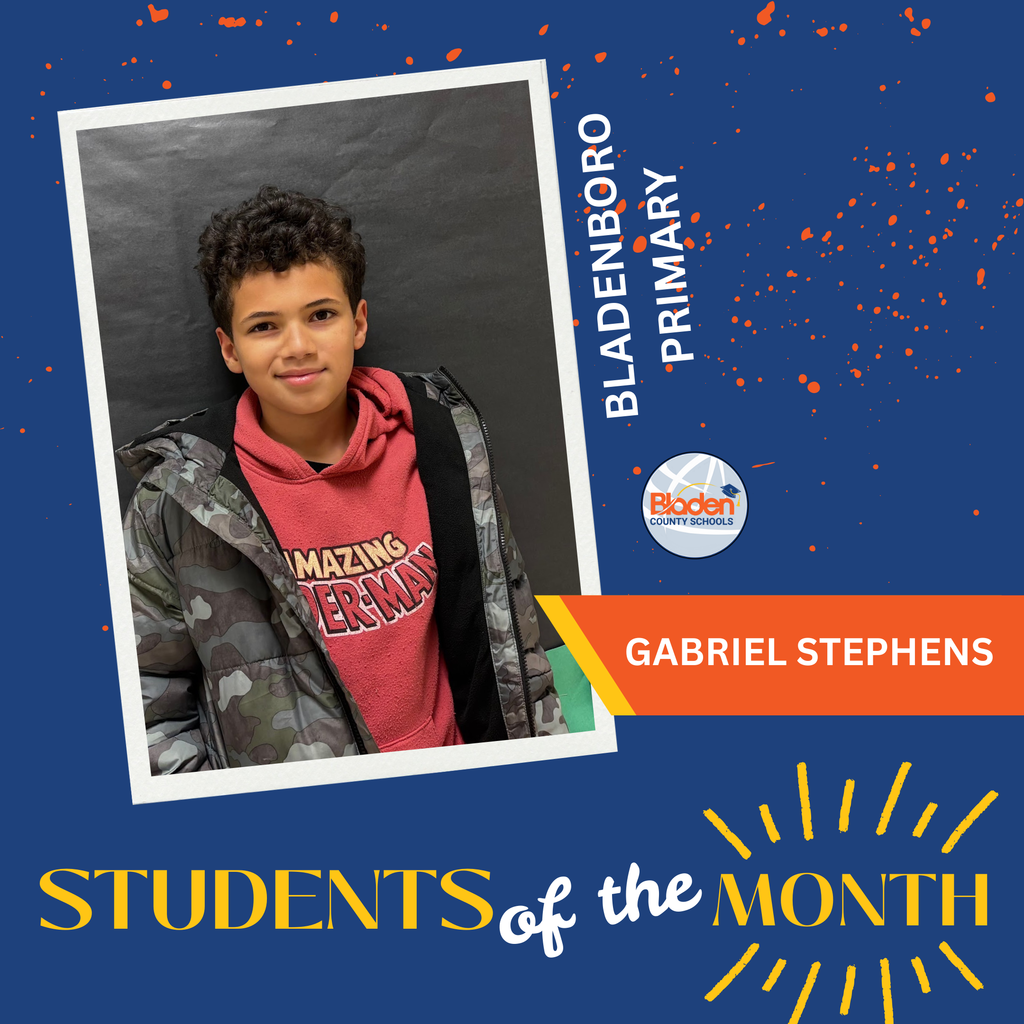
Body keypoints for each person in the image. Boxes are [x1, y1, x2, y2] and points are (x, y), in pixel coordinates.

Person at [118, 185, 567, 773]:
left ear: (357, 323)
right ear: (230, 349)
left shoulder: (444, 450)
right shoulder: (178, 499)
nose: (298, 347)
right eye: (264, 326)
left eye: (321, 315)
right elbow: (147, 700)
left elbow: (515, 641)